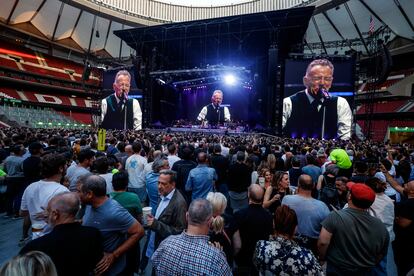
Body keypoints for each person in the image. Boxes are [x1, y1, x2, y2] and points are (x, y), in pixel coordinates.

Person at [20, 192, 103, 276]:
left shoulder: (35, 247)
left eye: (48, 210)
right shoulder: (93, 233)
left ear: (55, 214)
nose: (45, 213)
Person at [79, 174, 144, 275]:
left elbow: (139, 231)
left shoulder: (114, 212)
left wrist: (114, 255)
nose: (76, 194)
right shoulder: (89, 205)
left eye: (79, 191)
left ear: (90, 194)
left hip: (113, 272)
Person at [318, 183, 389, 275]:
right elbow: (381, 253)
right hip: (365, 271)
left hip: (338, 269)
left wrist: (322, 258)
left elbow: (323, 242)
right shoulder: (380, 225)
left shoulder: (335, 216)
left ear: (350, 196)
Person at [151, 198, 232, 276]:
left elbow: (154, 263)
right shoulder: (216, 258)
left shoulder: (166, 243)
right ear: (210, 222)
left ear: (186, 216)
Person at [282, 59, 352, 140]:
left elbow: (345, 137)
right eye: (317, 78)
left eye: (327, 79)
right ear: (305, 81)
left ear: (331, 82)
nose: (322, 83)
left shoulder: (341, 103)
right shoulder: (288, 102)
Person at [254, 205, 323, 275]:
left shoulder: (261, 247)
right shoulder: (306, 256)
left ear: (273, 224)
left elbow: (257, 267)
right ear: (295, 228)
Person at [20, 153, 70, 239]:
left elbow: (23, 212)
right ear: (61, 169)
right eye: (65, 165)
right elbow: (67, 218)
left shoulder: (30, 187)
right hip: (54, 238)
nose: (67, 167)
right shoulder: (62, 190)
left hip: (36, 235)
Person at [145, 170, 187, 261]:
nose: (159, 186)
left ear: (173, 185)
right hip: (155, 243)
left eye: (164, 184)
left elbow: (179, 232)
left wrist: (156, 224)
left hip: (165, 251)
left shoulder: (179, 203)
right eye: (158, 183)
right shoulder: (163, 194)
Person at [282, 174, 329, 254]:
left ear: (298, 185)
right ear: (313, 185)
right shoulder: (323, 206)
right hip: (311, 251)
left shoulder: (287, 200)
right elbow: (325, 237)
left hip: (289, 247)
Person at [234, 184, 273, 275]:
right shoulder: (268, 216)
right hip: (262, 257)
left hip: (244, 258)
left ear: (248, 195)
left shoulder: (240, 215)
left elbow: (237, 244)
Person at [207, 192, 241, 267]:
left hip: (207, 261)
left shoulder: (203, 220)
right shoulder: (232, 220)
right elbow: (238, 246)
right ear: (224, 206)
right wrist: (230, 255)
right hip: (226, 261)